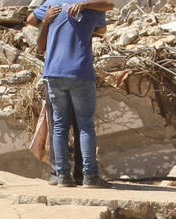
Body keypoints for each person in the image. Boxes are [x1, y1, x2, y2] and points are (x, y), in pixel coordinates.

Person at [26, 0, 113, 188]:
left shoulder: (52, 5)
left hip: (54, 73)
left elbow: (31, 20)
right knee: (85, 126)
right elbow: (104, 24)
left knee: (59, 125)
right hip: (80, 73)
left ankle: (62, 175)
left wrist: (48, 22)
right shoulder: (94, 8)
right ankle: (89, 175)